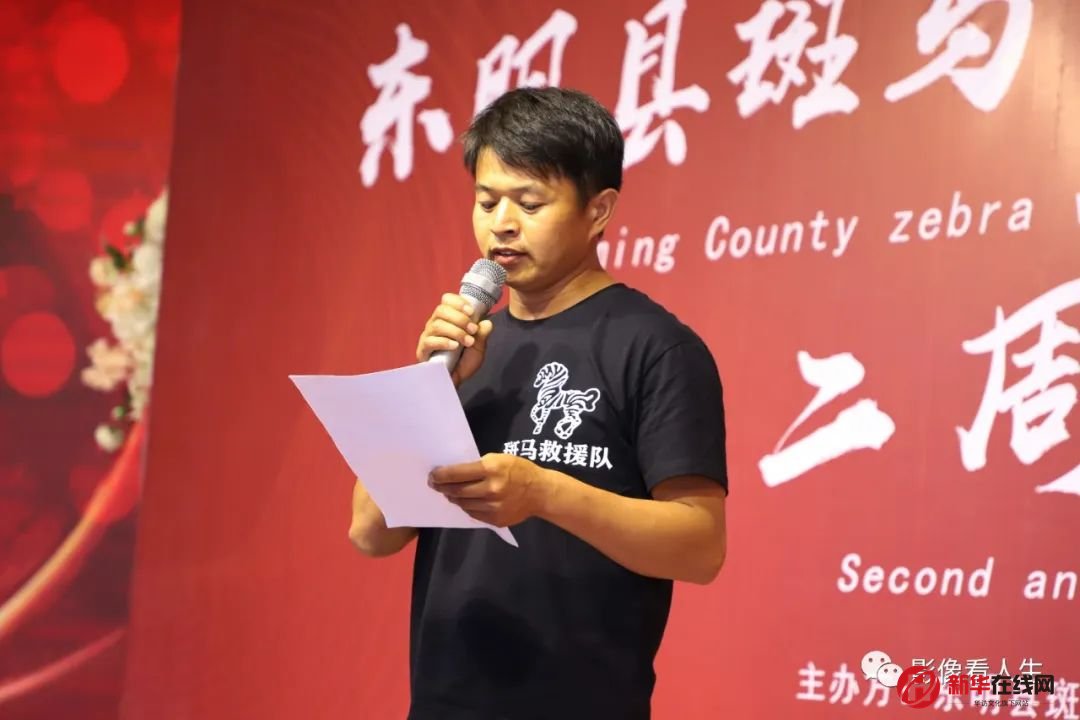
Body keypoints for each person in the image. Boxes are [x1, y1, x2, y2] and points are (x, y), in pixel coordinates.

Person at [348, 87, 728, 720]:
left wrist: (544, 493)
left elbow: (700, 545)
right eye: (486, 201)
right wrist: (429, 387)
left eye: (529, 203)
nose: (501, 223)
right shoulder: (464, 346)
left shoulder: (656, 347)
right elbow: (370, 532)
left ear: (598, 210)